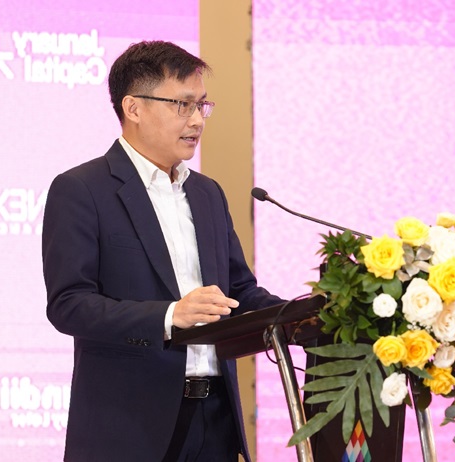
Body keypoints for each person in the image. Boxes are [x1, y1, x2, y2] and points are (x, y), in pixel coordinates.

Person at [42, 40, 283, 462]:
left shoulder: (207, 193)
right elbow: (70, 305)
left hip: (216, 421)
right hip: (130, 427)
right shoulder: (81, 190)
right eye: (183, 105)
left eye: (201, 105)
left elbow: (240, 292)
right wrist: (171, 316)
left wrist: (308, 315)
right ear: (133, 108)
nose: (197, 120)